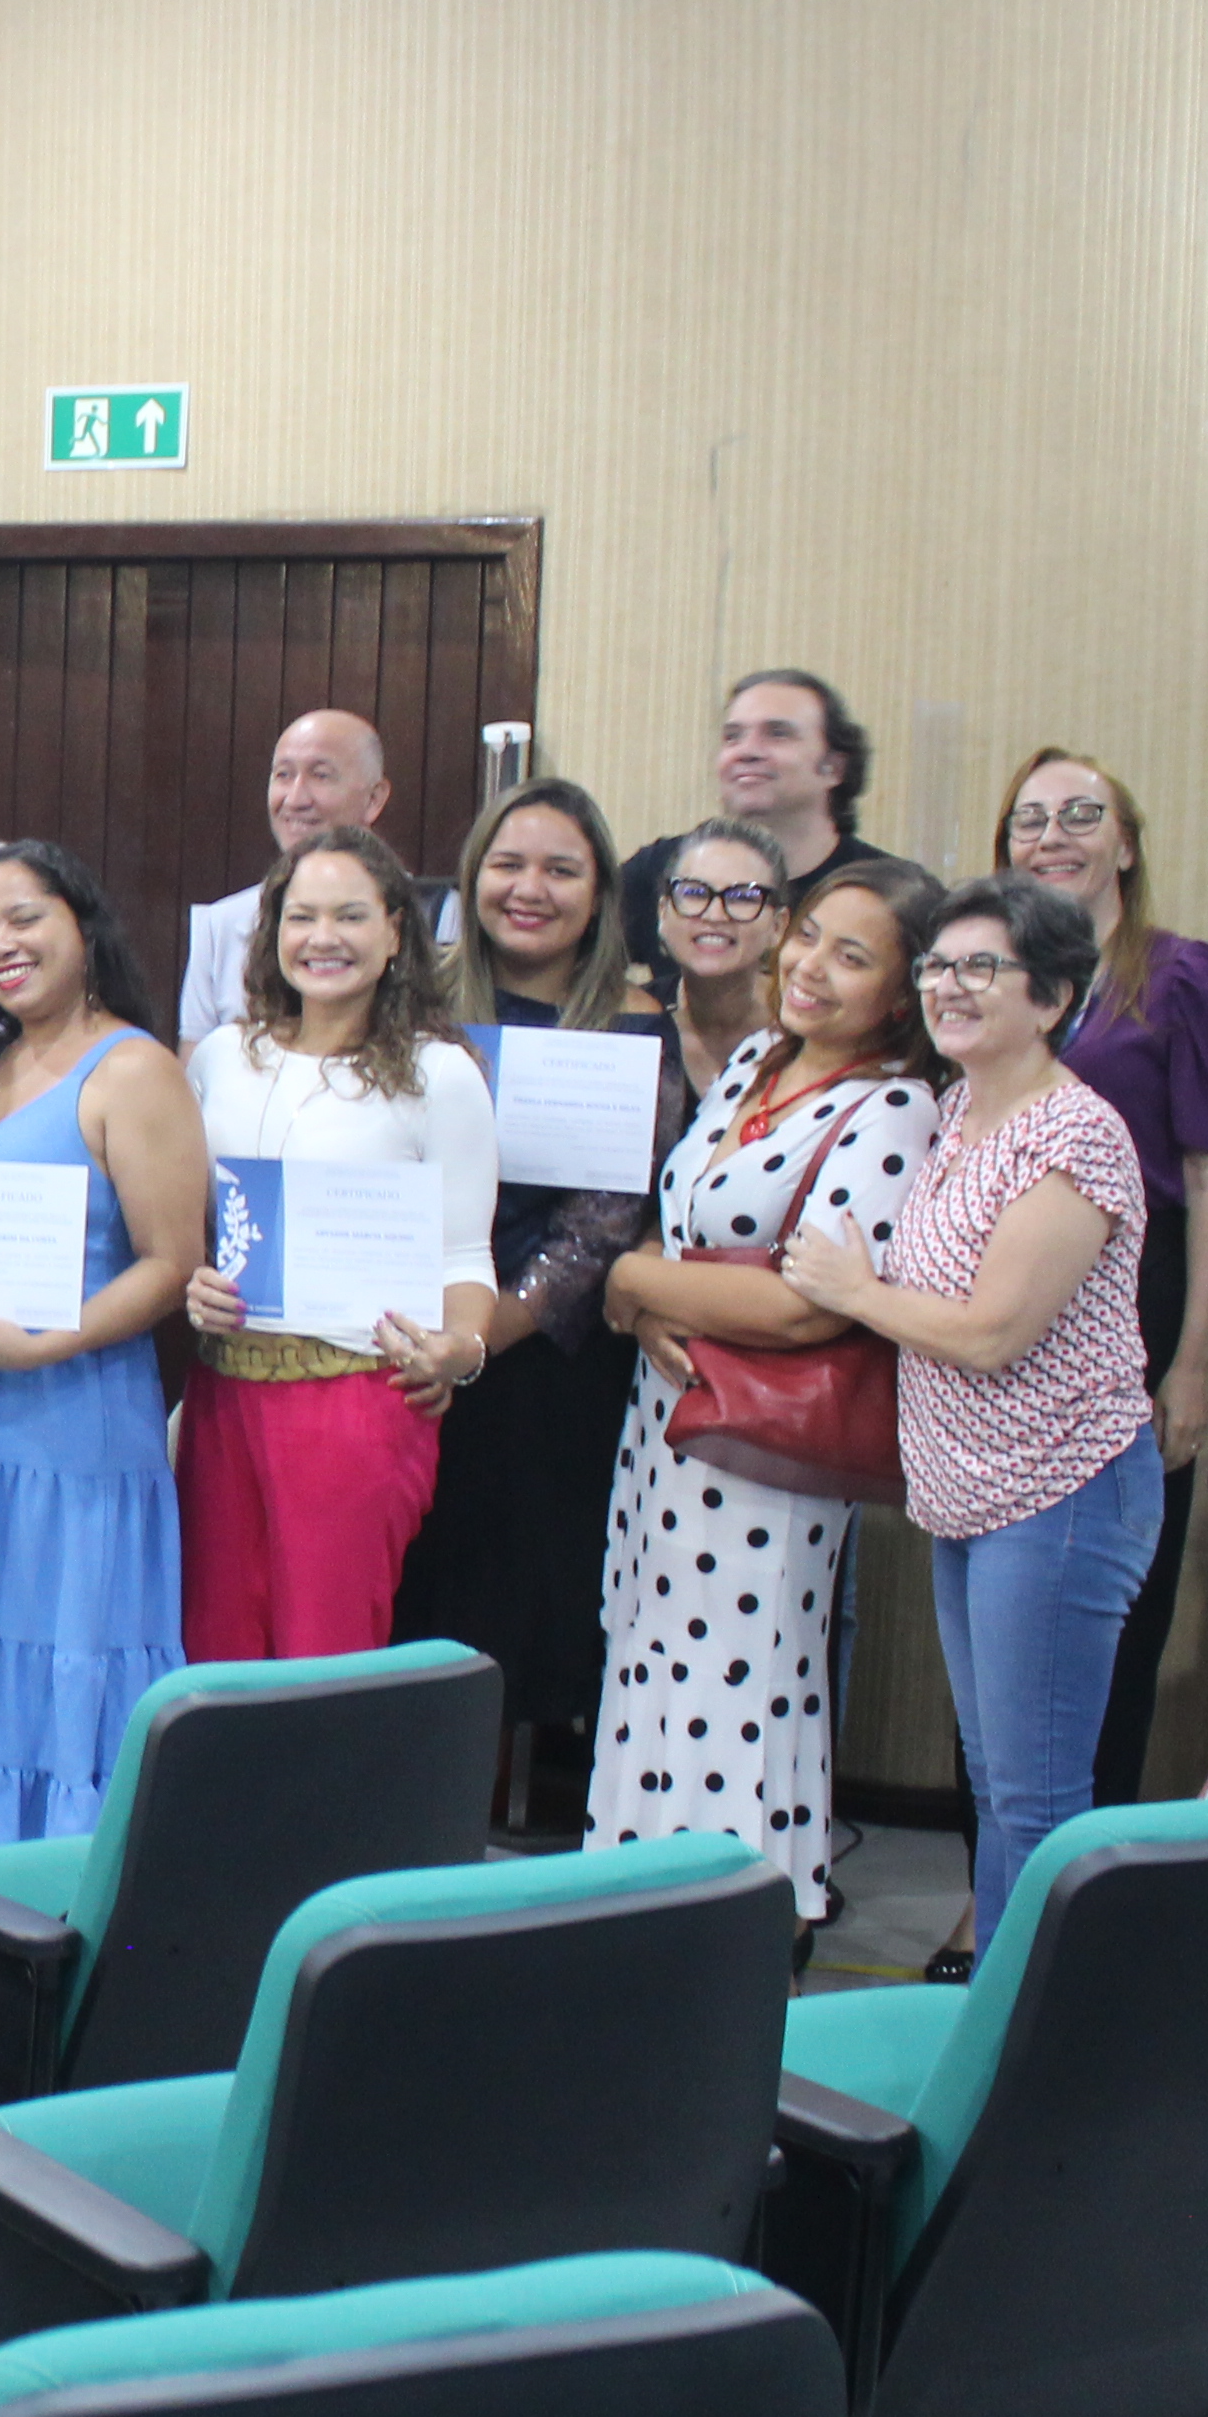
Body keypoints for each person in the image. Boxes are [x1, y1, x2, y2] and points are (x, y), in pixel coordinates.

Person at [779, 872, 1157, 1973]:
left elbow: (993, 1334)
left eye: (981, 968)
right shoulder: (955, 1112)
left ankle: (1034, 2037)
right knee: (992, 1779)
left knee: (1037, 1795)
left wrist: (853, 1292)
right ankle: (994, 2005)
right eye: (938, 965)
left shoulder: (1074, 1135)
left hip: (1065, 1491)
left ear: (1051, 997)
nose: (948, 985)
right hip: (970, 1493)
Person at [591, 861, 947, 1922]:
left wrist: (627, 1282)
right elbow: (681, 1218)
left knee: (739, 1679)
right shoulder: (755, 1059)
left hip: (766, 1444)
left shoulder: (896, 1108)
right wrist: (650, 1300)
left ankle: (729, 1918)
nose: (812, 967)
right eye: (810, 937)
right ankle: (630, 1893)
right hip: (665, 1420)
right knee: (652, 1657)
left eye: (854, 956)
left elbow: (812, 1307)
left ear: (901, 991)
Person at [0, 842, 204, 1854]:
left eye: (25, 919)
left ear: (83, 922)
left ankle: (50, 1890)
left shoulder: (134, 1068)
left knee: (61, 1658)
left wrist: (42, 1347)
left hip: (69, 1423)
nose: (1, 945)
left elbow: (170, 1263)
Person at [390, 778, 665, 1834]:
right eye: (509, 864)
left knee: (526, 1602)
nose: (530, 889)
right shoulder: (414, 1000)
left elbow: (601, 1227)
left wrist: (479, 1335)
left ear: (599, 893)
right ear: (471, 878)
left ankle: (517, 1839)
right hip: (406, 1337)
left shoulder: (634, 1025)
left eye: (561, 869)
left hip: (545, 1358)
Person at [997, 748, 1208, 1807]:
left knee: (1107, 1609)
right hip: (998, 1307)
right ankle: (999, 1876)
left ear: (1128, 845)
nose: (1052, 835)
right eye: (1029, 819)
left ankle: (1086, 1871)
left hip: (1127, 1305)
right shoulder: (984, 976)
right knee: (1003, 1604)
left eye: (1081, 815)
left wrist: (1190, 1363)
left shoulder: (1184, 976)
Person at [179, 824, 500, 1660]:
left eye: (350, 916)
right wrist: (194, 1281)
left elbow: (466, 1260)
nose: (323, 938)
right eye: (301, 916)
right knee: (212, 1652)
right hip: (221, 1395)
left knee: (326, 1656)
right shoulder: (218, 1057)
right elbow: (193, 1229)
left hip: (356, 1401)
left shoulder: (441, 1073)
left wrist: (456, 1350)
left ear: (397, 931)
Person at [618, 673, 918, 990]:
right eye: (732, 737)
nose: (746, 751)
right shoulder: (660, 867)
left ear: (834, 767)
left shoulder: (888, 893)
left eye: (777, 734)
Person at [174, 709, 396, 1049]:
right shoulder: (221, 924)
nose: (295, 799)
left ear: (374, 798)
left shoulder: (435, 913)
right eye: (283, 775)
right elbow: (197, 1085)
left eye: (321, 776)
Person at [645, 813, 796, 1100]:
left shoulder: (808, 1029)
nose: (715, 915)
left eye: (743, 897)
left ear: (778, 926)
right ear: (663, 912)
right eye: (694, 892)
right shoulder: (631, 1024)